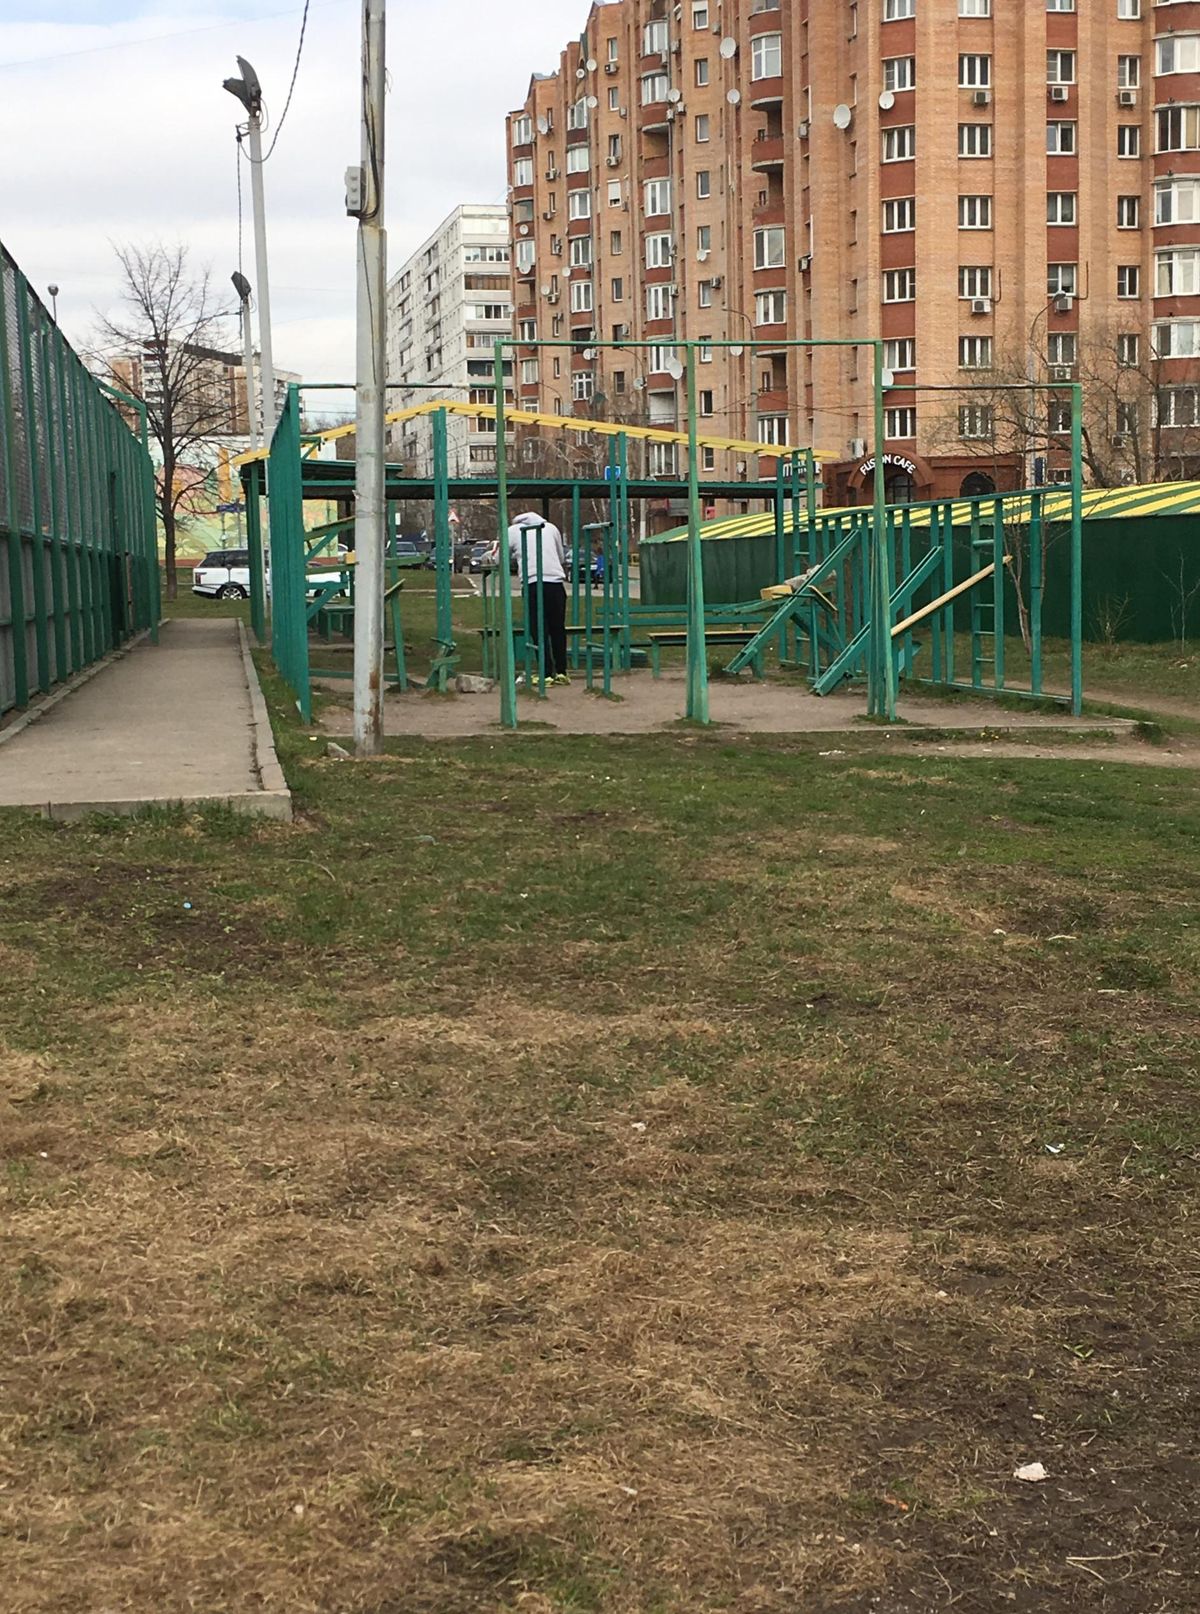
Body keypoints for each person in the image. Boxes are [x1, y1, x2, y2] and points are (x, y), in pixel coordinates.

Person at [506, 511, 570, 685]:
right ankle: (562, 671)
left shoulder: (513, 531)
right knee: (558, 629)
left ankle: (546, 672)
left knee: (538, 629)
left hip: (533, 581)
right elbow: (561, 556)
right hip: (556, 582)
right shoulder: (551, 528)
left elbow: (499, 557)